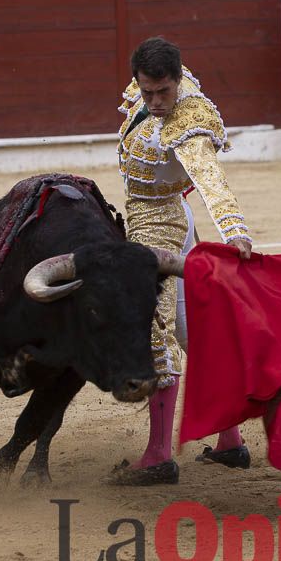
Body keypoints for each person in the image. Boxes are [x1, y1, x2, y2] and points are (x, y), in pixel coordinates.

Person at [110, 36, 253, 486]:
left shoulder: (188, 122)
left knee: (155, 328)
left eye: (163, 93)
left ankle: (157, 455)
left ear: (177, 81)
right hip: (172, 217)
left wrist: (236, 233)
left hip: (159, 228)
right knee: (193, 329)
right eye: (147, 92)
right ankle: (229, 440)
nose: (154, 102)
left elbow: (211, 182)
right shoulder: (151, 92)